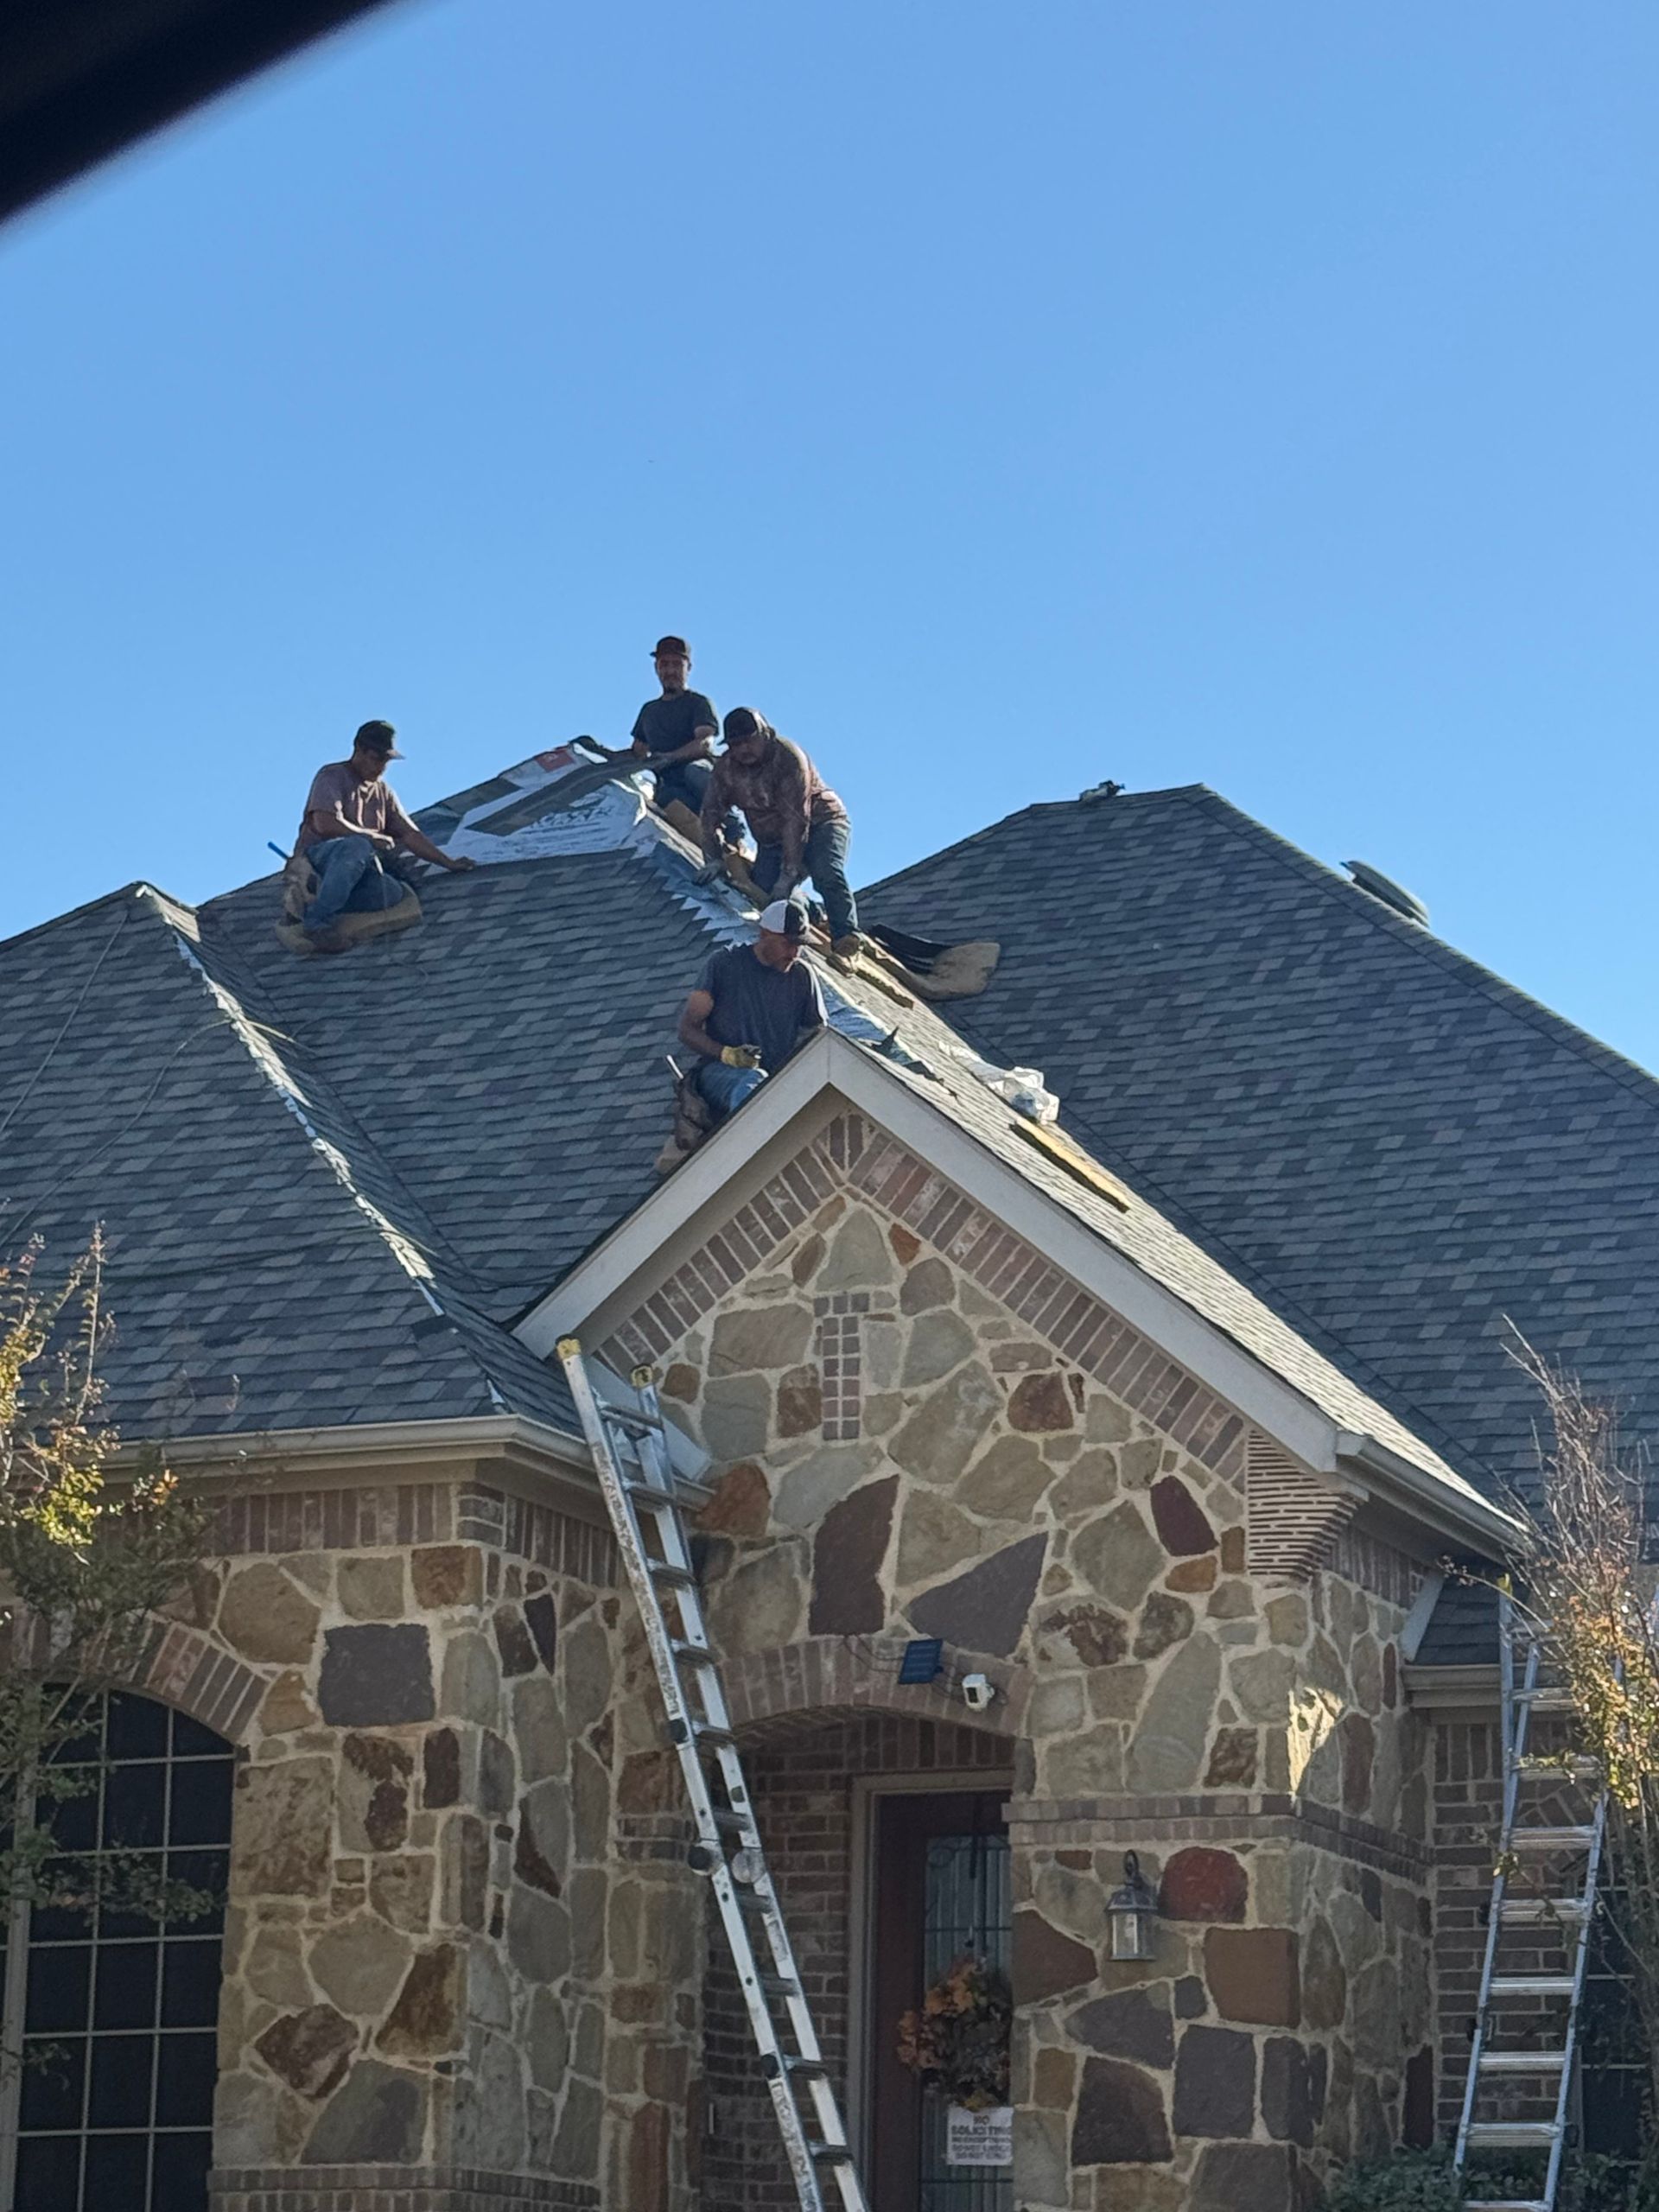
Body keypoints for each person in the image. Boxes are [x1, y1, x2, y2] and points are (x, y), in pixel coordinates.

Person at [296, 720, 475, 950]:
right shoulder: (332, 776)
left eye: (386, 761)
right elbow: (324, 823)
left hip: (355, 870)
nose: (381, 767)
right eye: (376, 758)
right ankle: (316, 921)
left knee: (390, 891)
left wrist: (448, 863)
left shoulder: (383, 792)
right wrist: (370, 836)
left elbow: (410, 833)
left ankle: (327, 899)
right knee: (357, 846)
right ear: (358, 750)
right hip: (318, 861)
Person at [699, 709, 863, 957]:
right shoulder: (726, 770)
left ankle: (846, 934)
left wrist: (788, 875)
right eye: (736, 744)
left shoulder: (787, 758)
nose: (743, 749)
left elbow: (796, 820)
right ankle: (812, 911)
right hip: (772, 840)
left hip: (821, 823)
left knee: (826, 871)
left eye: (749, 741)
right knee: (767, 891)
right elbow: (710, 814)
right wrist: (713, 859)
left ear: (765, 733)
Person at [677, 899, 826, 1121]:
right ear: (764, 934)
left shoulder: (801, 976)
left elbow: (818, 1035)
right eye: (787, 944)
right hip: (719, 1073)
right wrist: (726, 1054)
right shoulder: (724, 965)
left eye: (800, 945)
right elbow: (687, 1030)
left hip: (776, 1078)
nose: (794, 954)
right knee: (751, 1083)